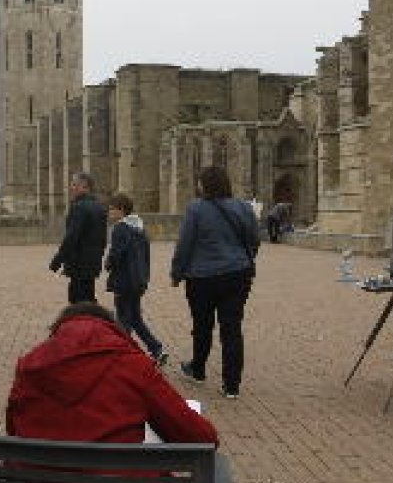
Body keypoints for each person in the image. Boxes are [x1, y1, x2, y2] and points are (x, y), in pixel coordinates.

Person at [7, 302, 217, 445]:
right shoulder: (133, 365)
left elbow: (13, 430)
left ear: (57, 333)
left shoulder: (28, 367)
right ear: (112, 329)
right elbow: (201, 438)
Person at [171, 166, 259, 400]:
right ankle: (232, 385)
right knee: (232, 329)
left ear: (205, 185)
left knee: (202, 326)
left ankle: (198, 369)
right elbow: (254, 239)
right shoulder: (243, 207)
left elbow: (185, 244)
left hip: (203, 277)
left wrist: (176, 273)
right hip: (237, 274)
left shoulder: (196, 208)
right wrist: (243, 259)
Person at [104, 193, 167, 365]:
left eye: (111, 209)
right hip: (138, 280)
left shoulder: (120, 228)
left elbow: (116, 254)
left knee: (123, 320)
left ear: (121, 210)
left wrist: (108, 264)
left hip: (124, 281)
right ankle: (156, 349)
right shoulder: (139, 227)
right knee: (135, 319)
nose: (109, 212)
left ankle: (122, 356)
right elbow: (146, 257)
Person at [48, 172, 108, 304]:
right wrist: (97, 257)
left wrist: (57, 261)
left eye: (75, 185)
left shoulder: (79, 207)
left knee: (77, 300)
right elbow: (103, 239)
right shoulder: (100, 207)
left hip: (79, 265)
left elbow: (71, 238)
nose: (71, 187)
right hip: (92, 264)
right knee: (88, 297)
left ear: (86, 187)